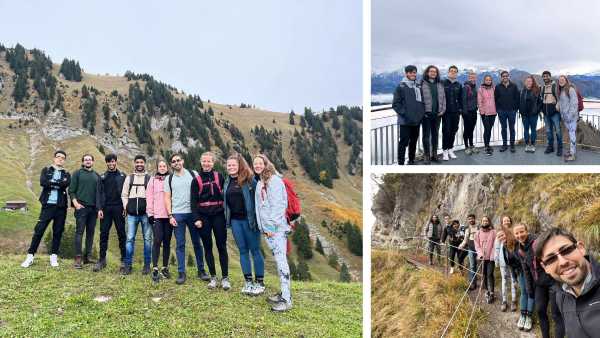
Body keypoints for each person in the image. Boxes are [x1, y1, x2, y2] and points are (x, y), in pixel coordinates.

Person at [535, 227, 599, 338]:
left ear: (581, 248)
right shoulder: (561, 295)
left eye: (566, 250)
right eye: (551, 259)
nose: (563, 262)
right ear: (545, 267)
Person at [254, 154, 292, 312]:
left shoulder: (274, 181)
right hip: (268, 229)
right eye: (254, 164)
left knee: (282, 261)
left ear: (266, 164)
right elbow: (260, 206)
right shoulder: (261, 181)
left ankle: (287, 299)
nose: (257, 166)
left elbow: (279, 206)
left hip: (276, 230)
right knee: (278, 260)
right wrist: (263, 227)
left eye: (260, 163)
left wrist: (271, 228)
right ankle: (283, 293)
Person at [164, 153, 208, 285]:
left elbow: (202, 191)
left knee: (197, 243)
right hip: (177, 214)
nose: (176, 162)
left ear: (182, 161)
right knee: (180, 244)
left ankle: (201, 271)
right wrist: (170, 215)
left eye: (178, 160)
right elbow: (167, 197)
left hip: (193, 214)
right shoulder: (169, 179)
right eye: (173, 161)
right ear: (171, 164)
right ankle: (181, 273)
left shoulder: (193, 174)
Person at [513, 223, 564, 336]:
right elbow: (526, 271)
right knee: (540, 311)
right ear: (514, 235)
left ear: (527, 231)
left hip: (553, 282)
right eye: (516, 233)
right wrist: (530, 290)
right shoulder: (520, 250)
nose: (519, 235)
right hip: (539, 284)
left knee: (556, 314)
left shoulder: (537, 242)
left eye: (522, 231)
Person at [21, 150, 71, 268]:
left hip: (61, 207)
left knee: (58, 232)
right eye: (58, 157)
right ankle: (30, 256)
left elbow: (66, 184)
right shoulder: (46, 170)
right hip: (47, 206)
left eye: (62, 158)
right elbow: (43, 182)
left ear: (64, 160)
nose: (60, 159)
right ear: (54, 158)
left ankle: (53, 257)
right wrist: (58, 183)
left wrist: (52, 183)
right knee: (39, 230)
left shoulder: (67, 173)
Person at [224, 153, 265, 296]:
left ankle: (260, 282)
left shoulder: (249, 180)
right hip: (235, 221)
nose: (231, 167)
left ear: (239, 165)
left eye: (233, 165)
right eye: (228, 165)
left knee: (255, 250)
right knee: (242, 251)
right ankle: (248, 282)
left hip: (249, 221)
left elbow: (261, 195)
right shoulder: (227, 182)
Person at [191, 152, 229, 290]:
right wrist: (196, 219)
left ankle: (225, 278)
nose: (206, 164)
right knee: (208, 247)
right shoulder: (196, 180)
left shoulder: (220, 177)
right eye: (204, 161)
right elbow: (193, 201)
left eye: (209, 161)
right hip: (203, 218)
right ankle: (213, 277)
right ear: (201, 163)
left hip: (218, 216)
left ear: (213, 163)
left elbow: (226, 196)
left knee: (221, 246)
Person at [94, 154, 127, 272]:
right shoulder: (102, 177)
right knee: (104, 234)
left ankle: (124, 260)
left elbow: (126, 193)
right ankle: (102, 260)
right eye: (109, 162)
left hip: (119, 208)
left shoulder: (123, 176)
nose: (111, 164)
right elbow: (98, 193)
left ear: (116, 162)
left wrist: (125, 207)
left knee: (122, 234)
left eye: (113, 161)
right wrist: (99, 209)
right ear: (106, 163)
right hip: (106, 209)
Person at [121, 155, 152, 275]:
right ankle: (128, 265)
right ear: (134, 164)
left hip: (146, 214)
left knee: (147, 240)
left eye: (141, 162)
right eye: (137, 162)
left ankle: (147, 266)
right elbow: (124, 194)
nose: (139, 164)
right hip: (132, 214)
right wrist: (126, 207)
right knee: (129, 239)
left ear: (145, 164)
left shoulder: (149, 178)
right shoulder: (129, 178)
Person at [69, 154, 100, 269]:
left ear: (93, 162)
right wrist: (75, 204)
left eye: (90, 160)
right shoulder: (77, 173)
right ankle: (78, 258)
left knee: (91, 233)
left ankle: (88, 257)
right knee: (79, 232)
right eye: (86, 160)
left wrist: (98, 208)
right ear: (83, 162)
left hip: (93, 209)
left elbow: (99, 193)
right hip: (81, 207)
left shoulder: (97, 176)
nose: (88, 161)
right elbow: (71, 190)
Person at [392, 65, 426, 165]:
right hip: (405, 121)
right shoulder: (400, 87)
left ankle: (411, 160)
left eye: (414, 72)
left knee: (413, 142)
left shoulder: (418, 86)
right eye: (410, 72)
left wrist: (421, 114)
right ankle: (401, 163)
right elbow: (396, 104)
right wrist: (406, 114)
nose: (413, 74)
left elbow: (422, 102)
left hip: (416, 120)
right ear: (406, 73)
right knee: (403, 142)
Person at [146, 159, 173, 283]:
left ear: (167, 167)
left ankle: (165, 267)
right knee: (157, 241)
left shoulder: (171, 179)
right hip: (157, 216)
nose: (162, 168)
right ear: (157, 168)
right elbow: (149, 197)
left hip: (169, 216)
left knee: (167, 242)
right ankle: (155, 267)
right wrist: (150, 214)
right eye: (160, 166)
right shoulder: (152, 180)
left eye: (164, 166)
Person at [421, 65, 446, 164]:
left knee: (435, 135)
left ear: (437, 73)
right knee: (426, 136)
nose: (433, 73)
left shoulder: (440, 84)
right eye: (431, 71)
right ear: (427, 73)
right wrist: (423, 112)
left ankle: (434, 155)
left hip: (437, 114)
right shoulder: (422, 84)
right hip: (426, 115)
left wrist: (443, 110)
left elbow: (444, 98)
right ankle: (427, 156)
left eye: (435, 72)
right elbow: (419, 100)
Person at [493, 216, 519, 312]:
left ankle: (513, 300)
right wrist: (496, 261)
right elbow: (496, 248)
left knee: (513, 280)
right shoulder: (499, 233)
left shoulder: (513, 232)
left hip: (513, 261)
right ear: (502, 222)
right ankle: (504, 301)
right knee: (504, 280)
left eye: (508, 220)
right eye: (504, 220)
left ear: (510, 221)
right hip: (503, 261)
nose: (506, 221)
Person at [495, 71, 520, 153]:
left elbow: (517, 98)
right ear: (501, 77)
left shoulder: (514, 86)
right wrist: (498, 109)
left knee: (512, 128)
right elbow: (495, 99)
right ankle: (504, 145)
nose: (505, 77)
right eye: (503, 76)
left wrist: (515, 109)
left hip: (512, 111)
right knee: (503, 128)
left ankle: (512, 145)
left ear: (509, 77)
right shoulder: (498, 87)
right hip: (501, 111)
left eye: (506, 76)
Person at [441, 65, 463, 161]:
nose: (453, 73)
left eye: (455, 71)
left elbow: (461, 99)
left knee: (454, 130)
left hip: (456, 112)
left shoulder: (458, 85)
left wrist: (460, 109)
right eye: (451, 71)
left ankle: (450, 149)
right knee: (446, 131)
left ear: (457, 73)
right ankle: (445, 151)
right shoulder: (443, 83)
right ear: (448, 72)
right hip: (446, 112)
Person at [475, 216, 496, 303]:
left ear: (489, 222)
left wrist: (492, 255)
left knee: (490, 274)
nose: (485, 222)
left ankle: (492, 292)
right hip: (481, 258)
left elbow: (495, 245)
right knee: (483, 274)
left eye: (486, 221)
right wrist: (480, 254)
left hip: (491, 258)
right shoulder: (478, 233)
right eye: (483, 221)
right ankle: (487, 290)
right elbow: (477, 245)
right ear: (481, 222)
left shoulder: (494, 232)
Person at [557, 75, 579, 162]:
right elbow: (563, 102)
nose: (561, 81)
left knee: (572, 135)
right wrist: (558, 105)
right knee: (571, 134)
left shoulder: (570, 89)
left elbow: (574, 104)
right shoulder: (562, 90)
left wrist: (570, 116)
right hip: (566, 117)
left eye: (562, 80)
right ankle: (571, 151)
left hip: (571, 118)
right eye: (559, 80)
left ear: (566, 80)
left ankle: (573, 154)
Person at [540, 71, 562, 156]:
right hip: (546, 113)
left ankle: (560, 148)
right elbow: (542, 99)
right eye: (544, 76)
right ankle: (550, 147)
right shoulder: (542, 88)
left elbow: (560, 99)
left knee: (558, 131)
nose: (545, 78)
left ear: (550, 77)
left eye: (547, 76)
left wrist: (557, 104)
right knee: (549, 131)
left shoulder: (555, 87)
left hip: (555, 113)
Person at [519, 76, 542, 152]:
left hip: (533, 114)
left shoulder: (536, 91)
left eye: (530, 81)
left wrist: (537, 111)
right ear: (525, 82)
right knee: (526, 129)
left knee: (533, 130)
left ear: (532, 82)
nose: (528, 82)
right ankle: (527, 144)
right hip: (524, 115)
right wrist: (521, 111)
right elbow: (519, 102)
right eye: (527, 81)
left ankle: (532, 144)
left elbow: (540, 102)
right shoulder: (522, 91)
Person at [477, 75, 497, 156]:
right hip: (485, 113)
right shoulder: (481, 89)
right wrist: (482, 112)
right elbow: (479, 101)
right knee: (487, 129)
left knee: (489, 129)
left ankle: (488, 145)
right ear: (484, 80)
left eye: (489, 80)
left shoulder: (494, 88)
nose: (488, 81)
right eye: (487, 80)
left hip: (493, 112)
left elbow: (496, 99)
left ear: (491, 81)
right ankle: (486, 146)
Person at [459, 214, 479, 290]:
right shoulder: (467, 229)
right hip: (471, 249)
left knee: (480, 266)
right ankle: (473, 283)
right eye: (469, 219)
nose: (471, 220)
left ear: (474, 219)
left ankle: (483, 282)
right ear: (468, 220)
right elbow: (465, 240)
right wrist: (461, 245)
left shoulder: (479, 228)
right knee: (472, 266)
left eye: (472, 219)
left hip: (479, 249)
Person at [462, 72, 479, 155]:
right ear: (469, 78)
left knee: (471, 129)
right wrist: (465, 112)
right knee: (467, 130)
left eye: (474, 77)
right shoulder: (466, 87)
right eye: (471, 77)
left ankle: (471, 145)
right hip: (467, 112)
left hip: (474, 111)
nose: (473, 78)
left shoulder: (474, 86)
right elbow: (463, 100)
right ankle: (466, 146)